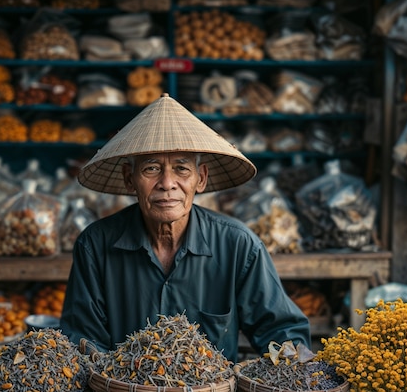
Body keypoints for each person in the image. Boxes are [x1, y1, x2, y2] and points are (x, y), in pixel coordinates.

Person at [60, 93, 310, 362]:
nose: (167, 183)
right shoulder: (95, 245)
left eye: (181, 169)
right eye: (151, 169)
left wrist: (291, 364)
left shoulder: (238, 245)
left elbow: (281, 329)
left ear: (200, 179)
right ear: (129, 180)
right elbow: (83, 339)